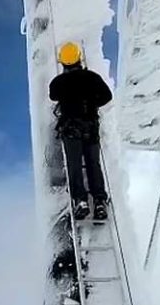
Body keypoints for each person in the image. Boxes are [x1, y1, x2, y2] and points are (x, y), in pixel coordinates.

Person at [49, 42, 112, 221]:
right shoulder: (92, 77)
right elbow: (107, 97)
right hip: (90, 126)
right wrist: (92, 103)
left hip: (71, 129)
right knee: (93, 164)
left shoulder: (58, 82)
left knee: (74, 165)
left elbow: (53, 96)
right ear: (79, 58)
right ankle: (99, 201)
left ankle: (81, 201)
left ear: (63, 63)